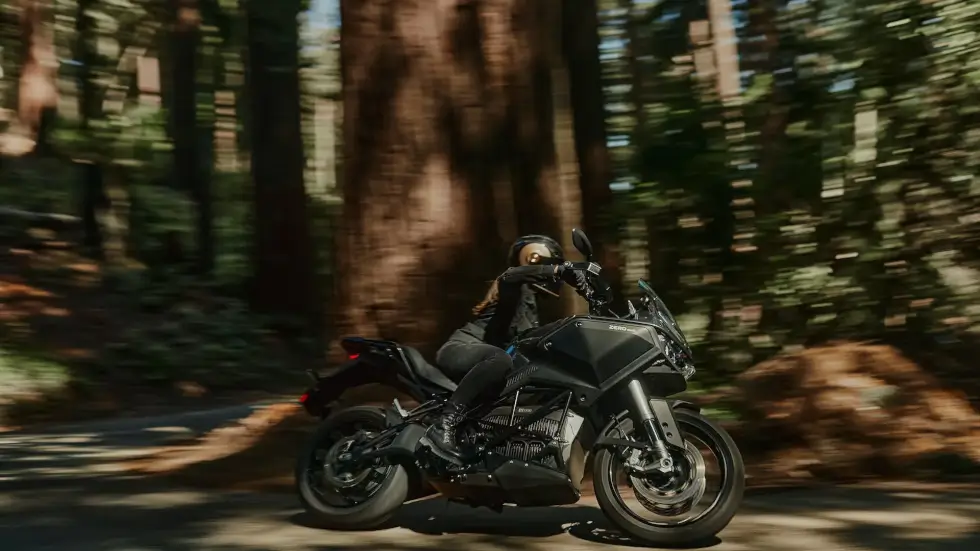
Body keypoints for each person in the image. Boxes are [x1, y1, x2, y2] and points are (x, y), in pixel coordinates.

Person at [420, 235, 588, 464]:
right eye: (547, 264)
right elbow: (511, 275)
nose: (553, 273)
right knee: (500, 360)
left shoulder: (530, 306)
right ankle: (444, 424)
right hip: (462, 348)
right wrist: (558, 270)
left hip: (486, 361)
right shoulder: (513, 287)